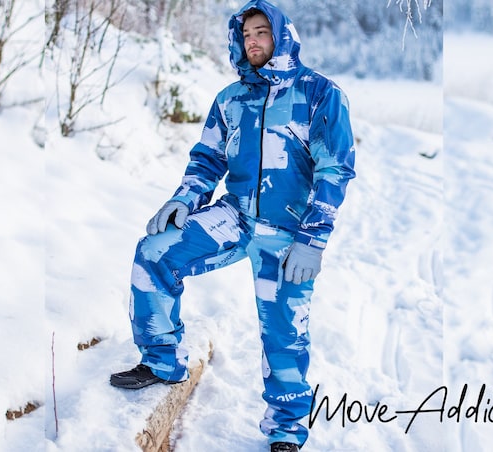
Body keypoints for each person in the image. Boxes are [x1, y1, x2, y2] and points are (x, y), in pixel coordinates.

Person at [110, 1, 356, 450]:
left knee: (284, 330)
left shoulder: (320, 94)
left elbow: (335, 170)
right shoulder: (230, 98)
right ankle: (162, 361)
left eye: (262, 32)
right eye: (246, 35)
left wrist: (314, 239)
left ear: (282, 35)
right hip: (236, 216)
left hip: (288, 231)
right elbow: (207, 159)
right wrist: (184, 199)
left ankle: (286, 427)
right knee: (155, 252)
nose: (254, 41)